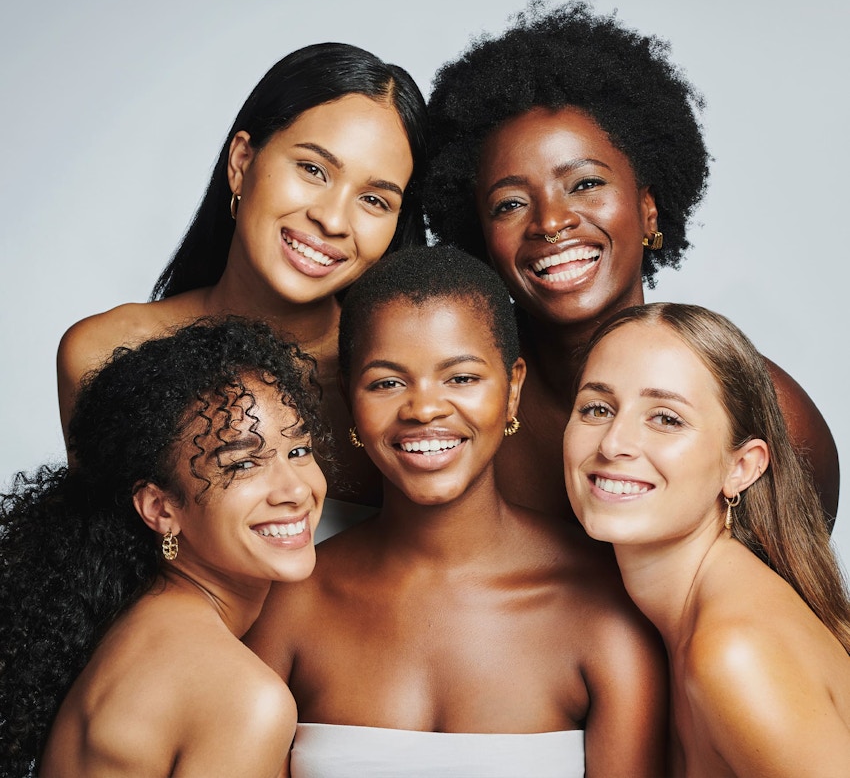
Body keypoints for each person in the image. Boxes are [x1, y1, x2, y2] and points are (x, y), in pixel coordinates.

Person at [245, 247, 668, 777]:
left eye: (462, 378)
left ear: (512, 389)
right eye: (386, 382)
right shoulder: (288, 602)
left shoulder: (606, 607)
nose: (424, 408)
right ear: (351, 400)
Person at [424, 0, 839, 527]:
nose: (550, 222)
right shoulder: (452, 413)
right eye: (510, 204)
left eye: (586, 184)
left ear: (648, 211)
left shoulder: (770, 418)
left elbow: (795, 604)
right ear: (480, 238)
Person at [57, 42, 428, 507]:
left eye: (375, 200)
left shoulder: (405, 387)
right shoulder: (106, 354)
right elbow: (89, 563)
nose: (333, 220)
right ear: (241, 163)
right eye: (313, 169)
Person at [0, 317, 328, 778]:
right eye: (243, 464)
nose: (294, 489)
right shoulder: (242, 697)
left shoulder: (132, 618)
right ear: (160, 508)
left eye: (298, 451)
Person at [563, 302, 850, 777]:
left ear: (741, 467)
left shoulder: (733, 654)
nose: (613, 443)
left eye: (666, 419)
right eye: (597, 408)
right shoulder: (686, 621)